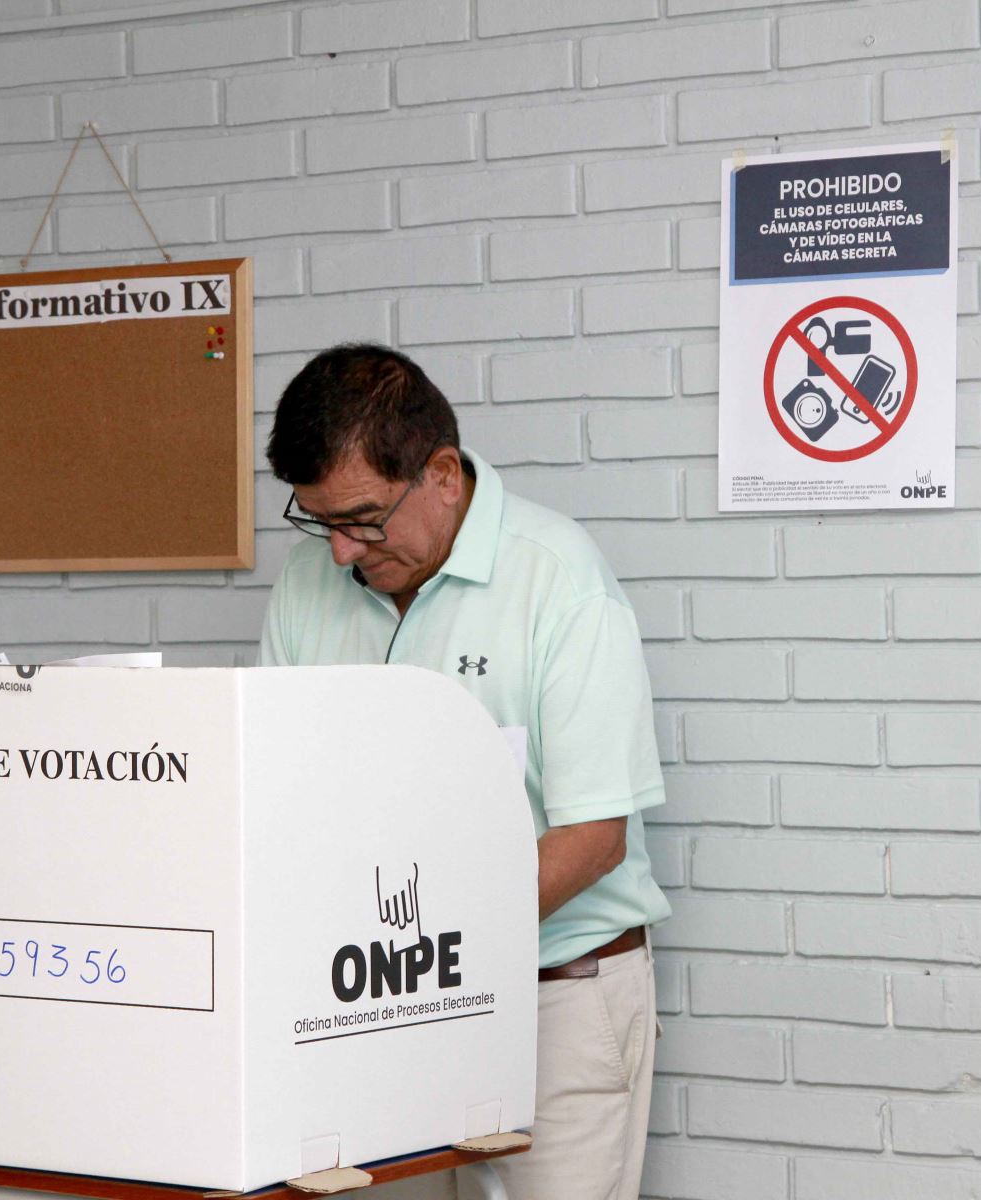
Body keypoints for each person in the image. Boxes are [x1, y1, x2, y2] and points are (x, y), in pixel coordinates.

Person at [258, 344, 671, 1200]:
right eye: (319, 522)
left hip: (554, 997)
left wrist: (424, 961)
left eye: (364, 519)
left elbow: (594, 838)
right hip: (368, 1011)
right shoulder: (308, 584)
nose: (339, 553)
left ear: (443, 474)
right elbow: (280, 797)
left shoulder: (559, 581)